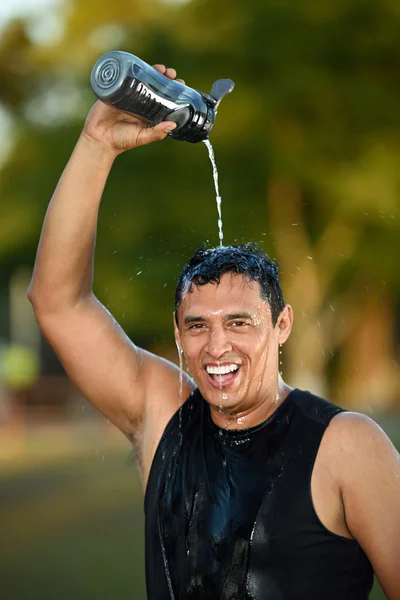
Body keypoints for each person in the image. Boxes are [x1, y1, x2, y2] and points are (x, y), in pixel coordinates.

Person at [28, 64, 400, 600]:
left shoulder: (346, 445)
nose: (216, 346)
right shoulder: (164, 417)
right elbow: (57, 303)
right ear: (178, 335)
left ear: (282, 326)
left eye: (240, 323)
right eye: (197, 326)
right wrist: (96, 144)